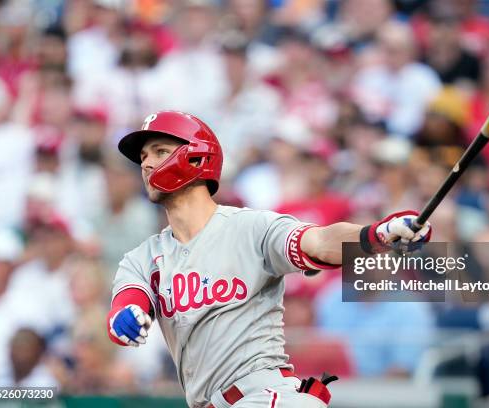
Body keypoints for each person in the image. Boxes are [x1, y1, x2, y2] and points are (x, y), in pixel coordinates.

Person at [105, 111, 432, 408]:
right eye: (144, 157)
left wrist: (379, 232)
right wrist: (128, 317)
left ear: (196, 158)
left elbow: (319, 241)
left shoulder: (251, 227)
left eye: (160, 152)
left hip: (264, 397)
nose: (146, 164)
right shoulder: (141, 258)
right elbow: (127, 304)